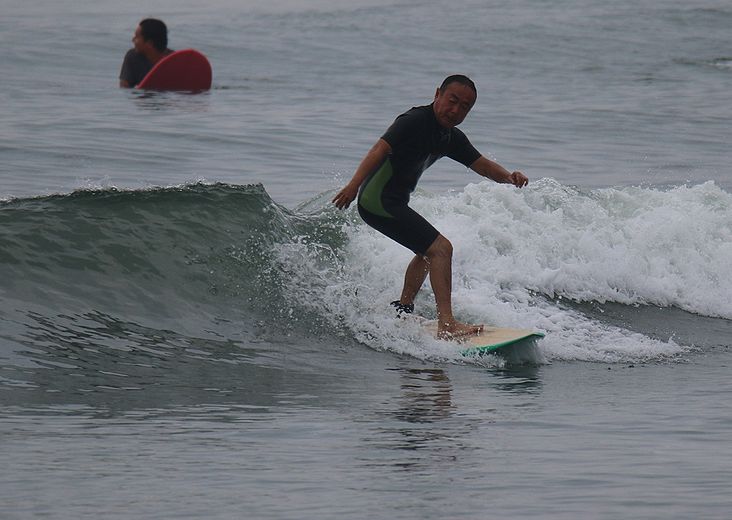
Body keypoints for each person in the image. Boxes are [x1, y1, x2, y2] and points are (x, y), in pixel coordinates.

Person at [332, 75, 529, 339]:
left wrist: (509, 177)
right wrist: (352, 186)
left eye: (465, 107)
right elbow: (378, 149)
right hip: (377, 200)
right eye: (452, 101)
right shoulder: (414, 120)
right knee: (441, 249)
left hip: (392, 202)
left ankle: (403, 308)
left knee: (428, 252)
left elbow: (482, 165)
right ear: (437, 94)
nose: (456, 110)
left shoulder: (450, 137)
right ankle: (447, 325)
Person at [119, 18, 173, 88]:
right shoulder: (133, 57)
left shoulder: (174, 60)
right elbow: (124, 89)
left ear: (149, 43)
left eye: (137, 37)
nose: (133, 40)